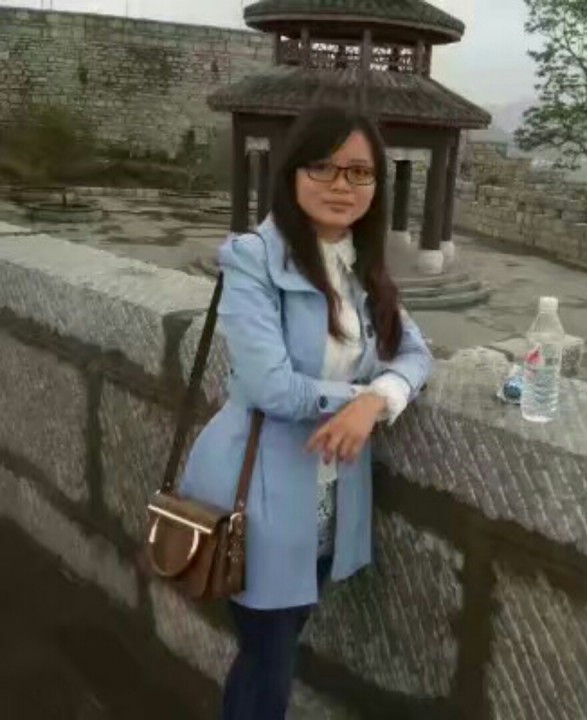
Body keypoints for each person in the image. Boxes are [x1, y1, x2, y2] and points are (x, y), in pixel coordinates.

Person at [179, 106, 433, 720]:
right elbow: (272, 388)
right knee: (269, 658)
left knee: (272, 651)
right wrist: (358, 401)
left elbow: (418, 355)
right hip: (257, 492)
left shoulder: (362, 269)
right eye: (323, 167)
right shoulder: (253, 259)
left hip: (327, 500)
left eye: (359, 172)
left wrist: (378, 399)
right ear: (292, 173)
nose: (342, 185)